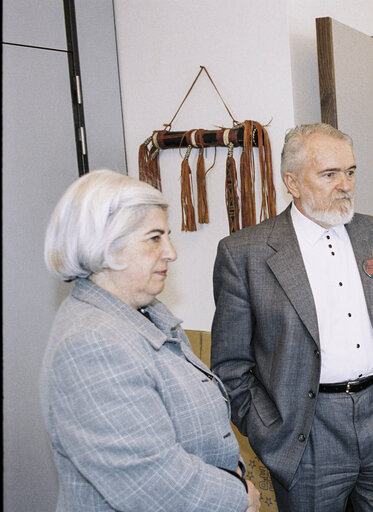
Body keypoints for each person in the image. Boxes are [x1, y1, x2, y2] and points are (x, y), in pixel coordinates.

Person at [210, 123, 373, 511]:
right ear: (293, 183)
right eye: (329, 174)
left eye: (350, 172)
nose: (345, 184)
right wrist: (270, 431)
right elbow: (231, 367)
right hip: (306, 429)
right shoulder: (245, 254)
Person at [40, 170, 260, 512]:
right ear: (106, 245)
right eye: (154, 237)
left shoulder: (145, 312)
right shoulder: (91, 343)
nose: (171, 252)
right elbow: (151, 481)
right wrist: (237, 495)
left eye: (167, 236)